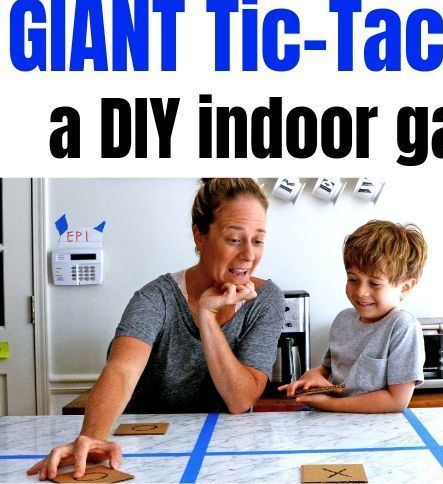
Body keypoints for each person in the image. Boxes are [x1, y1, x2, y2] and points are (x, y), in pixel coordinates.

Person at [28, 178, 284, 481]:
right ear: (200, 236)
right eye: (234, 239)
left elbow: (240, 400)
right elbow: (122, 370)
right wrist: (94, 435)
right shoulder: (155, 297)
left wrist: (206, 316)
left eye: (257, 240)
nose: (248, 255)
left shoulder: (267, 299)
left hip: (229, 454)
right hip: (150, 451)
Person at [280, 220, 427, 412]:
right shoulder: (343, 320)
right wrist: (311, 377)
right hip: (335, 421)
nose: (361, 292)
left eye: (374, 284)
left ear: (405, 287)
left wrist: (331, 404)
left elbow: (396, 401)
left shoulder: (402, 326)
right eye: (353, 279)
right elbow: (328, 369)